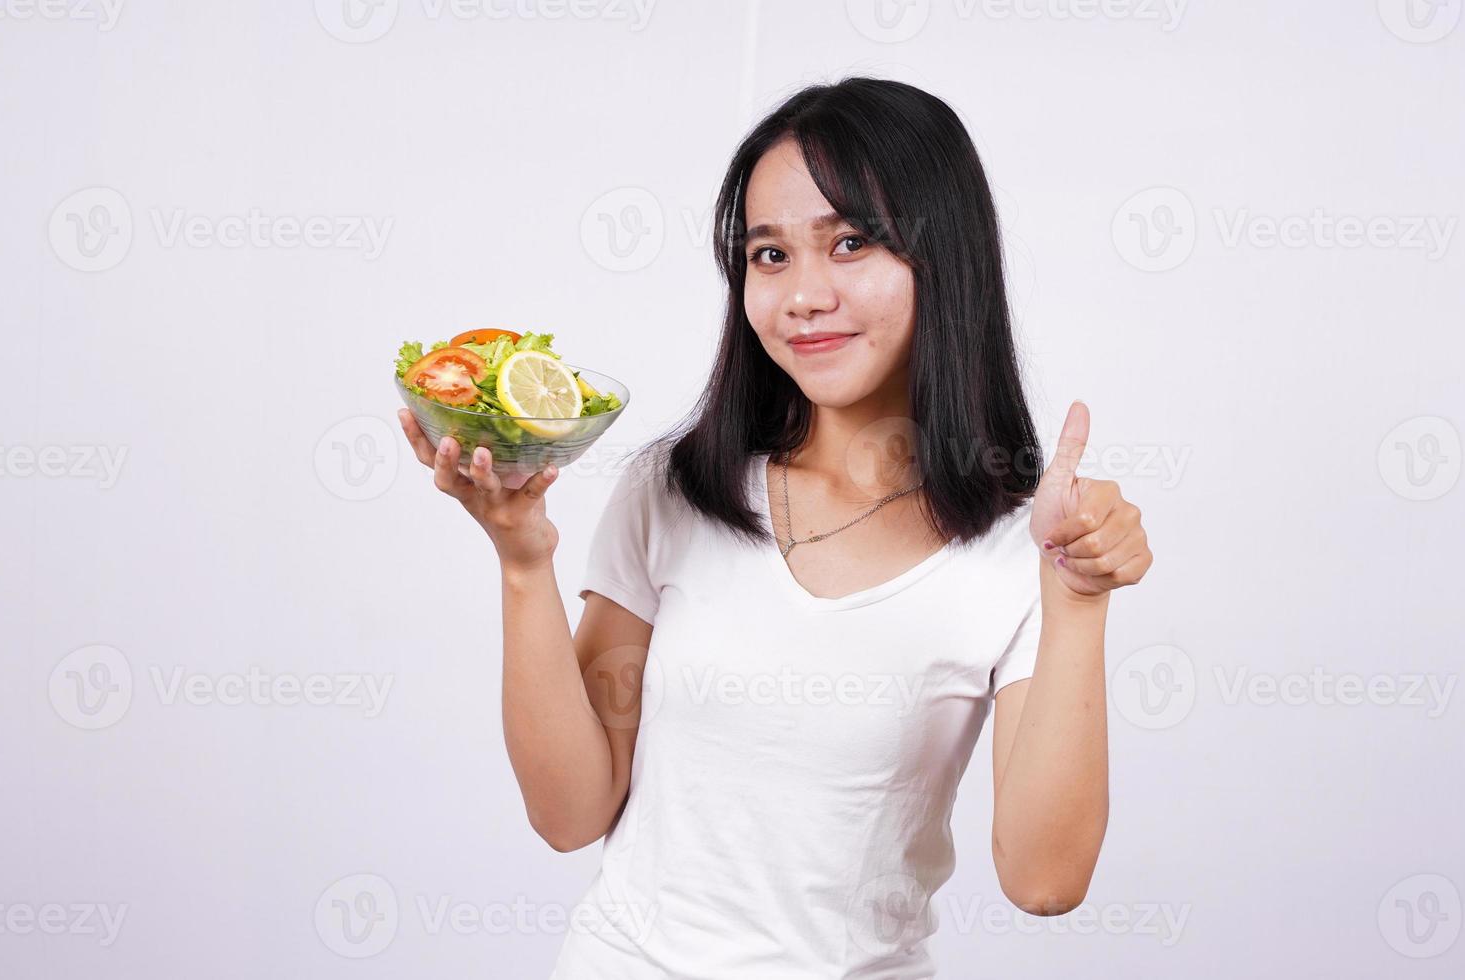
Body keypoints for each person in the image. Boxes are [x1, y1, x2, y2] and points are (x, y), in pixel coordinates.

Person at [396, 75, 1153, 979]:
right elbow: (570, 814)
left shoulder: (1018, 548)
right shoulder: (681, 488)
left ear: (944, 257)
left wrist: (1076, 600)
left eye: (851, 242)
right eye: (770, 255)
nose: (803, 295)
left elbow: (1044, 879)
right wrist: (525, 563)